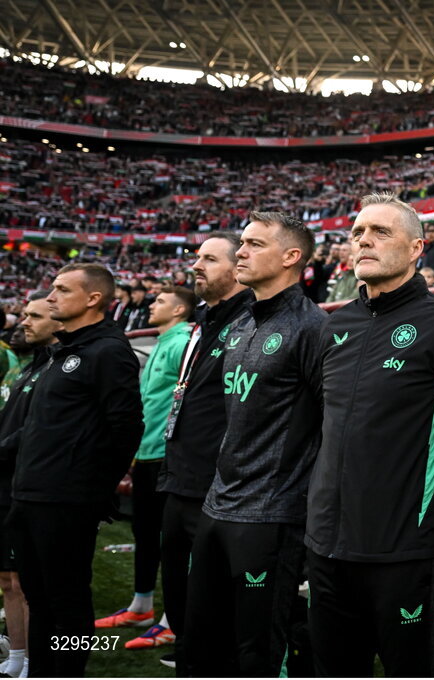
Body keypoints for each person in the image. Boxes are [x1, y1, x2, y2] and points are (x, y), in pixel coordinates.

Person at [308, 192, 434, 677]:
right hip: (328, 546)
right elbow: (319, 429)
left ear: (417, 249)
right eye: (357, 234)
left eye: (380, 232)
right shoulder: (334, 326)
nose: (363, 241)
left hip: (405, 552)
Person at [185, 213, 325, 677]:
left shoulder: (314, 328)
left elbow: (330, 427)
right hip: (217, 505)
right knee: (201, 644)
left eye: (254, 244)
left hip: (271, 515)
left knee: (257, 653)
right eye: (241, 243)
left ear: (291, 258)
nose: (240, 252)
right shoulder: (239, 323)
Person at [9, 263, 143, 677]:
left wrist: (93, 492)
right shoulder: (59, 352)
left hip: (66, 503)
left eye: (61, 290)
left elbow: (126, 427)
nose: (50, 297)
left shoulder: (109, 351)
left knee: (69, 605)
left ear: (93, 299)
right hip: (28, 496)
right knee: (40, 598)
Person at [158, 232, 253, 674]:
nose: (196, 265)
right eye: (196, 257)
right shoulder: (203, 322)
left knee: (217, 606)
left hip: (220, 487)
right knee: (179, 589)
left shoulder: (255, 323)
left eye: (209, 259)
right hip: (180, 475)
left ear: (239, 267)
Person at [95, 287, 196, 650]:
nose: (152, 305)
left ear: (180, 309)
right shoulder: (164, 340)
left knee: (172, 542)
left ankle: (172, 619)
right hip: (146, 451)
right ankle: (141, 607)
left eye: (161, 301)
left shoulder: (182, 341)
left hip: (165, 454)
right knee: (145, 532)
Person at [0, 292, 63, 679]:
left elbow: (34, 430)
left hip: (26, 486)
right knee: (8, 579)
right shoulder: (32, 365)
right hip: (7, 482)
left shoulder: (58, 367)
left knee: (24, 582)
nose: (23, 322)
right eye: (23, 314)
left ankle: (30, 659)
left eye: (34, 316)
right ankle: (19, 654)